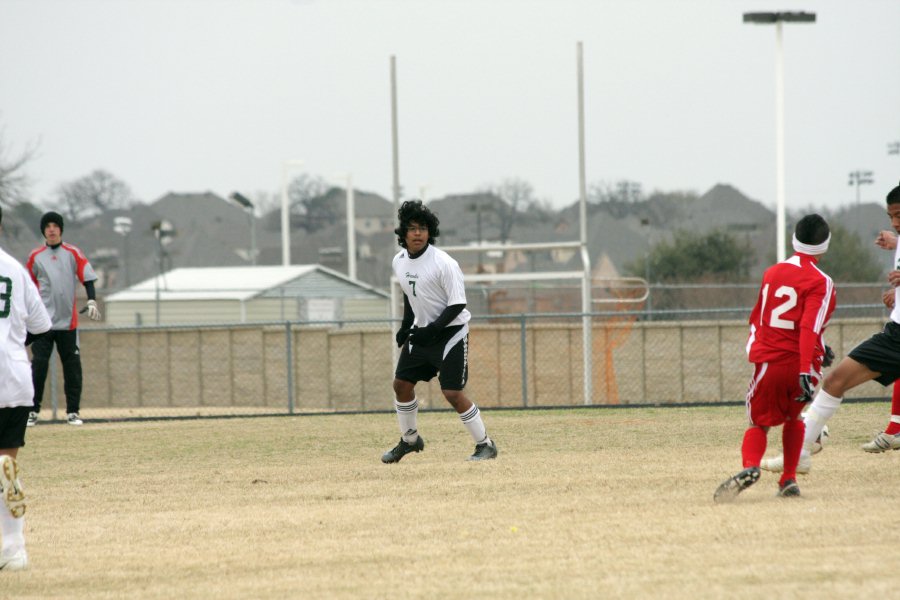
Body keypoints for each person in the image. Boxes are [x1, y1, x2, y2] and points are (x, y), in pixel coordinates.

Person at [761, 181, 900, 473]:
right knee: (835, 381)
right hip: (895, 336)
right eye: (891, 216)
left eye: (899, 215)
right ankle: (798, 454)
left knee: (834, 381)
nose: (895, 222)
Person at [714, 213, 835, 502]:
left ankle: (751, 467)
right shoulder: (822, 281)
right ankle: (788, 479)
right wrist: (808, 366)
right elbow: (809, 327)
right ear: (824, 246)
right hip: (803, 364)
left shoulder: (772, 273)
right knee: (794, 418)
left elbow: (760, 319)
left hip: (771, 362)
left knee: (759, 423)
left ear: (794, 239)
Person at [381, 200, 498, 463]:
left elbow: (457, 304)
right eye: (412, 228)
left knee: (452, 393)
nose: (418, 233)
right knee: (401, 385)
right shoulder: (399, 262)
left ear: (430, 232)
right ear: (403, 233)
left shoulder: (444, 263)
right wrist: (405, 326)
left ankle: (486, 445)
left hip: (450, 333)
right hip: (422, 333)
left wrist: (432, 331)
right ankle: (410, 440)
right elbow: (411, 296)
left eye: (423, 228)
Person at [0, 206, 52, 571]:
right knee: (8, 467)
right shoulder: (16, 269)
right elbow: (42, 324)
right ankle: (14, 549)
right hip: (15, 379)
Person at [25, 211, 101, 426]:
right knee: (38, 366)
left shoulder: (72, 253)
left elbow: (87, 277)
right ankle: (32, 411)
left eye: (55, 225)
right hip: (42, 324)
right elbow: (26, 287)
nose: (51, 229)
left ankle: (73, 412)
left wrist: (92, 300)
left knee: (72, 367)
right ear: (43, 230)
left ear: (60, 229)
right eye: (47, 226)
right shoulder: (35, 257)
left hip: (68, 323)